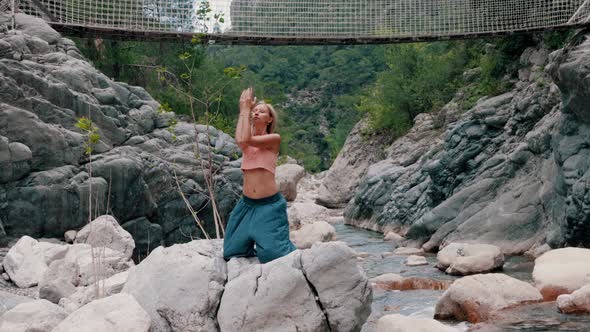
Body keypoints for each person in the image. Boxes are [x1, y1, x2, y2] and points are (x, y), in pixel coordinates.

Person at [223, 87, 297, 264]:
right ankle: (259, 238)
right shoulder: (247, 141)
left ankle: (275, 242)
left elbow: (246, 140)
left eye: (261, 111)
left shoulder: (274, 139)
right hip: (246, 205)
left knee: (273, 255)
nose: (256, 113)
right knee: (231, 252)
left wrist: (247, 109)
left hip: (269, 206)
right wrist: (244, 110)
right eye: (255, 111)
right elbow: (241, 139)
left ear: (269, 119)